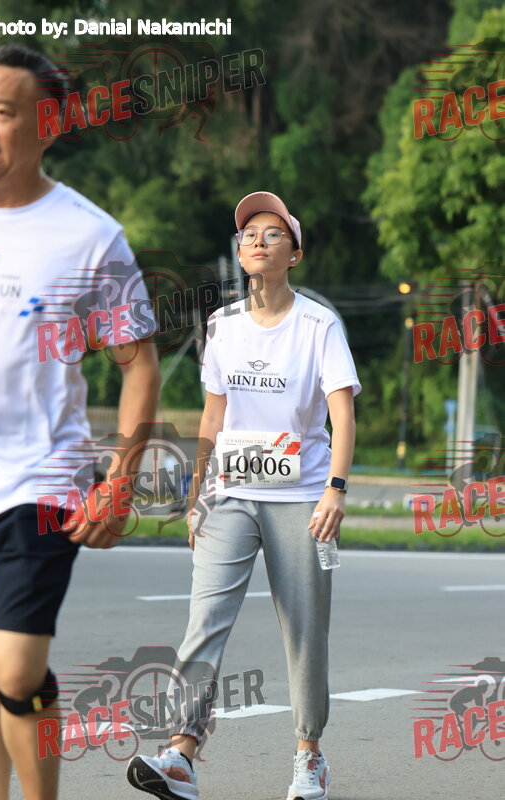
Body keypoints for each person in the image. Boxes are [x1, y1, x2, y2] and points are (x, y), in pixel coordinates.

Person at [127, 191, 361, 800]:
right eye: (248, 234)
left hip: (302, 499)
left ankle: (309, 755)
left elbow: (341, 413)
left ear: (295, 253)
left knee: (304, 631)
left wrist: (335, 489)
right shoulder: (222, 325)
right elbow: (213, 417)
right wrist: (196, 494)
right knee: (204, 621)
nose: (258, 240)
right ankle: (182, 754)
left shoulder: (319, 325)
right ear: (239, 251)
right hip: (229, 493)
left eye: (272, 233)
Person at [0, 44, 160, 800]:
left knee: (15, 670)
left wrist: (119, 482)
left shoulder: (88, 235)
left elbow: (138, 364)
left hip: (40, 478)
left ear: (46, 124)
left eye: (1, 112)